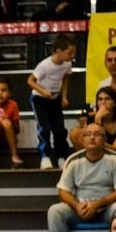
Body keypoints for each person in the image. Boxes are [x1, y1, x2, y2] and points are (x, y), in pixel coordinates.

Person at [47, 124, 116, 232]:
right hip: (80, 209)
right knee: (55, 211)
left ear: (104, 140)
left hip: (106, 209)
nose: (92, 138)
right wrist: (77, 206)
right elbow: (63, 191)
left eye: (97, 135)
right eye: (87, 135)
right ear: (83, 140)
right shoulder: (73, 160)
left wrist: (97, 205)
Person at [28, 33, 74, 170]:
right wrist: (43, 91)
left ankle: (61, 156)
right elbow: (30, 81)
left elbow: (65, 78)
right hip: (40, 100)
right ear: (59, 51)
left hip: (55, 99)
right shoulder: (45, 66)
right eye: (69, 52)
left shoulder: (67, 64)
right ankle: (45, 156)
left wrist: (64, 96)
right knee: (44, 129)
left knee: (59, 129)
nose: (72, 56)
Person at [70, 87, 116, 170]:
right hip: (96, 159)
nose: (103, 102)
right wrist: (97, 120)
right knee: (75, 132)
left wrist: (97, 123)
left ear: (115, 103)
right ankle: (84, 166)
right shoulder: (92, 119)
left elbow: (115, 149)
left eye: (107, 99)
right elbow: (86, 142)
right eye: (100, 99)